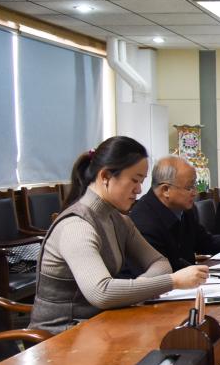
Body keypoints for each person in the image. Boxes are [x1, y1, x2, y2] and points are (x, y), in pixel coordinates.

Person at [30, 137, 208, 334]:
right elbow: (102, 293)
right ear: (106, 176)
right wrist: (172, 282)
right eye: (135, 180)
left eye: (141, 181)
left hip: (100, 325)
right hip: (61, 336)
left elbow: (160, 263)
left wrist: (136, 290)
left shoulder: (119, 220)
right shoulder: (76, 226)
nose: (139, 189)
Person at [128, 156, 220, 274]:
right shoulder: (144, 223)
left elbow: (206, 242)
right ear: (166, 190)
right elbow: (161, 273)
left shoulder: (182, 209)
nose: (195, 192)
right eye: (189, 187)